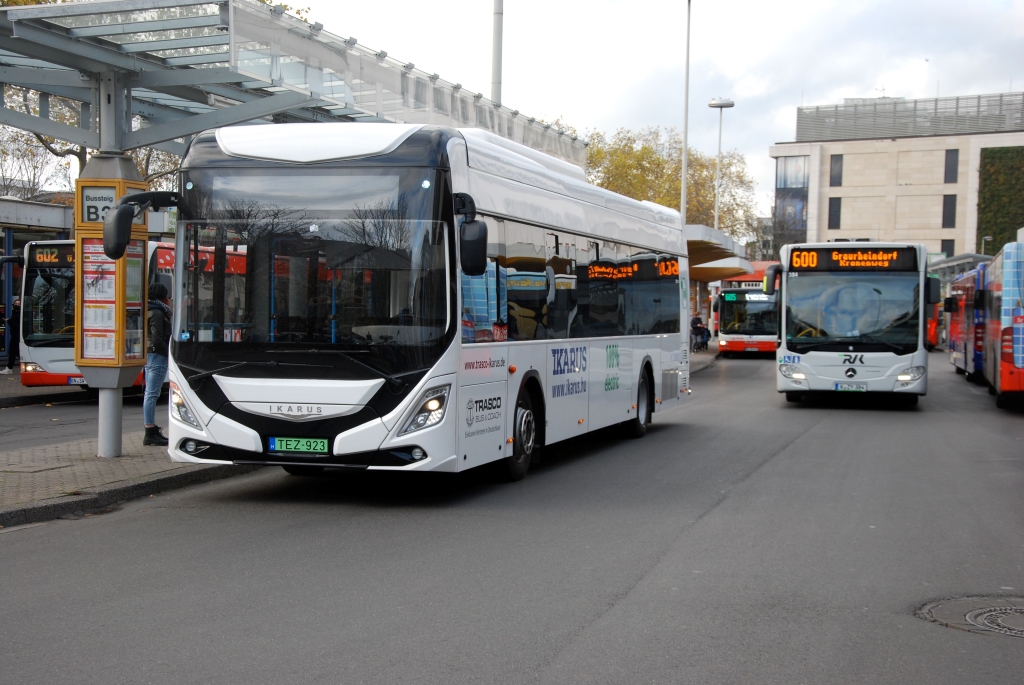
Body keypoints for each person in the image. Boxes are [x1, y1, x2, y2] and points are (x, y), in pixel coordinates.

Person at [143, 283, 171, 446]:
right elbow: (157, 338)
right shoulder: (158, 312)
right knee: (152, 394)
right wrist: (168, 353)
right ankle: (150, 430)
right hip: (157, 356)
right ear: (163, 297)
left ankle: (150, 429)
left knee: (150, 393)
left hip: (149, 354)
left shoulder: (149, 309)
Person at [2, 298, 21, 374]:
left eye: (18, 304)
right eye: (15, 304)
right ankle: (29, 362)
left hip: (17, 335)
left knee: (12, 351)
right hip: (14, 334)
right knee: (16, 351)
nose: (16, 305)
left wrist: (9, 321)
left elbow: (17, 326)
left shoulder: (20, 314)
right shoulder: (14, 313)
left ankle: (9, 368)